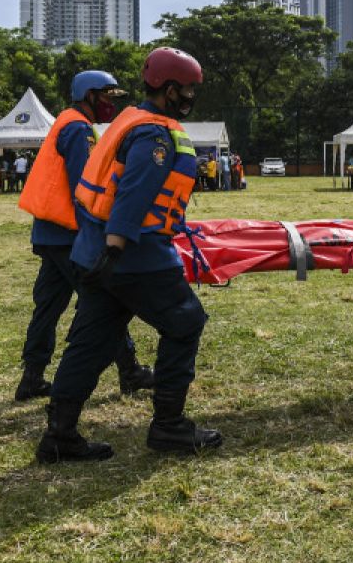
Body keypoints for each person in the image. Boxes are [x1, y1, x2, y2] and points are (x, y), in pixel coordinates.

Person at [36, 47, 221, 463]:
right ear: (169, 89)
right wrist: (117, 247)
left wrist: (104, 253)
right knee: (186, 321)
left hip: (94, 252)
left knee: (91, 342)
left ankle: (59, 435)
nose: (191, 97)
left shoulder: (126, 122)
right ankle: (169, 426)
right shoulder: (155, 133)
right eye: (188, 90)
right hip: (135, 255)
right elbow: (135, 192)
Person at [15, 70, 155, 404]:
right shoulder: (78, 129)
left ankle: (31, 377)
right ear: (88, 95)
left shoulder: (66, 122)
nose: (110, 103)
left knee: (47, 307)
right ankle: (130, 371)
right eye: (106, 96)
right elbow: (85, 187)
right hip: (69, 234)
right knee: (104, 303)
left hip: (51, 233)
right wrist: (101, 234)